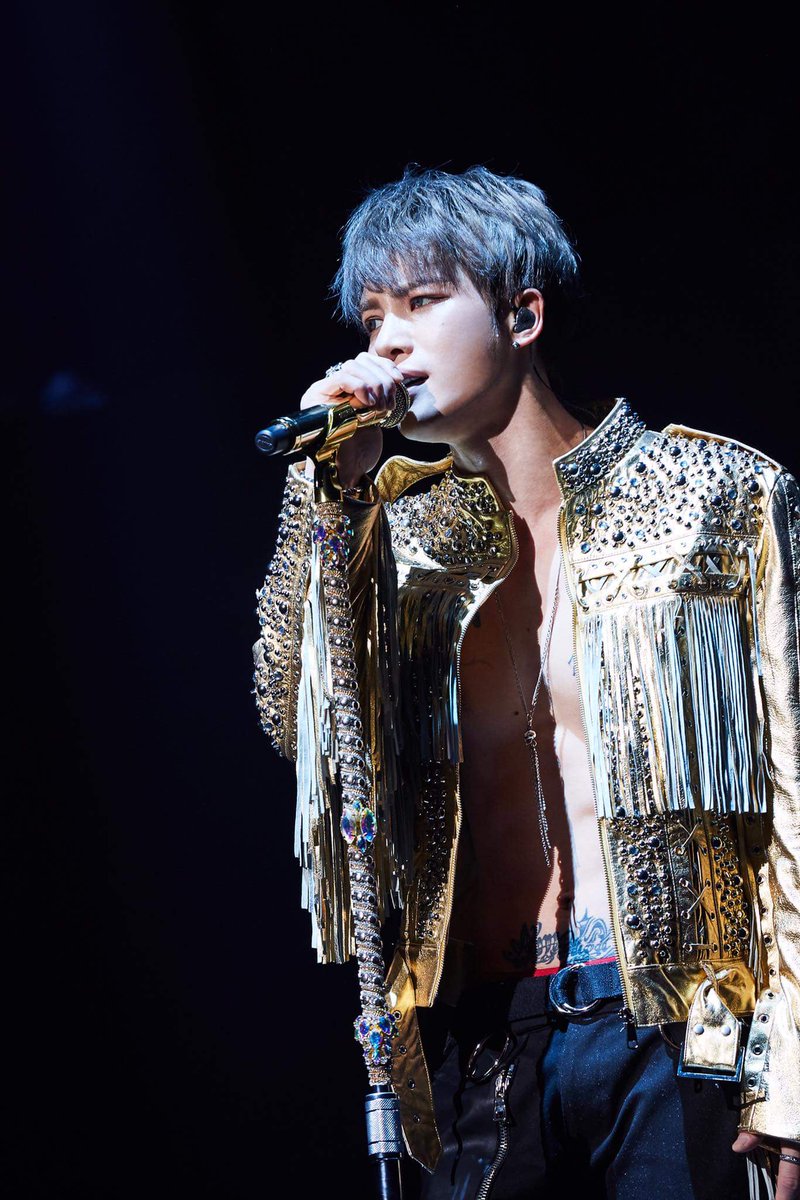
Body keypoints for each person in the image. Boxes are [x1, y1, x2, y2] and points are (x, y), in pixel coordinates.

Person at [252, 165, 800, 1199]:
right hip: (484, 1041)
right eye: (371, 319)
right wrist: (328, 501)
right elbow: (299, 726)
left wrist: (790, 1079)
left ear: (521, 315)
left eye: (420, 302)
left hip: (683, 1028)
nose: (387, 343)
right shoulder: (395, 540)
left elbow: (793, 795)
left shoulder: (715, 495)